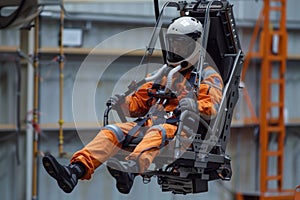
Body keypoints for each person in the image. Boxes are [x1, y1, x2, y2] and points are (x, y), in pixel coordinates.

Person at [42, 16, 224, 194]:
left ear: (195, 45)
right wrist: (123, 103)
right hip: (148, 125)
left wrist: (193, 105)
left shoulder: (207, 76)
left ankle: (130, 169)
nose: (176, 49)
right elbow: (138, 105)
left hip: (181, 131)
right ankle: (75, 171)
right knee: (112, 131)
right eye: (173, 44)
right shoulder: (163, 74)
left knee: (156, 132)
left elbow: (213, 106)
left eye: (181, 45)